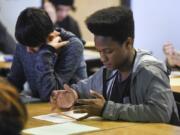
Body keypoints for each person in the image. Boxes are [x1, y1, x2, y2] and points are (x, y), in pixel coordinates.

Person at [50, 6, 179, 125]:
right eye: (99, 51)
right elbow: (84, 88)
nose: (102, 58)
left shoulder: (150, 71)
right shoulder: (110, 70)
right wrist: (72, 95)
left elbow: (161, 113)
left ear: (128, 43)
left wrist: (107, 109)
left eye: (108, 51)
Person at [7, 8, 87, 101]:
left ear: (50, 37)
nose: (28, 50)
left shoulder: (72, 46)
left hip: (71, 108)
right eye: (25, 46)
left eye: (33, 46)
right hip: (41, 108)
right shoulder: (25, 42)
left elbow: (51, 95)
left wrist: (45, 53)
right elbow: (14, 82)